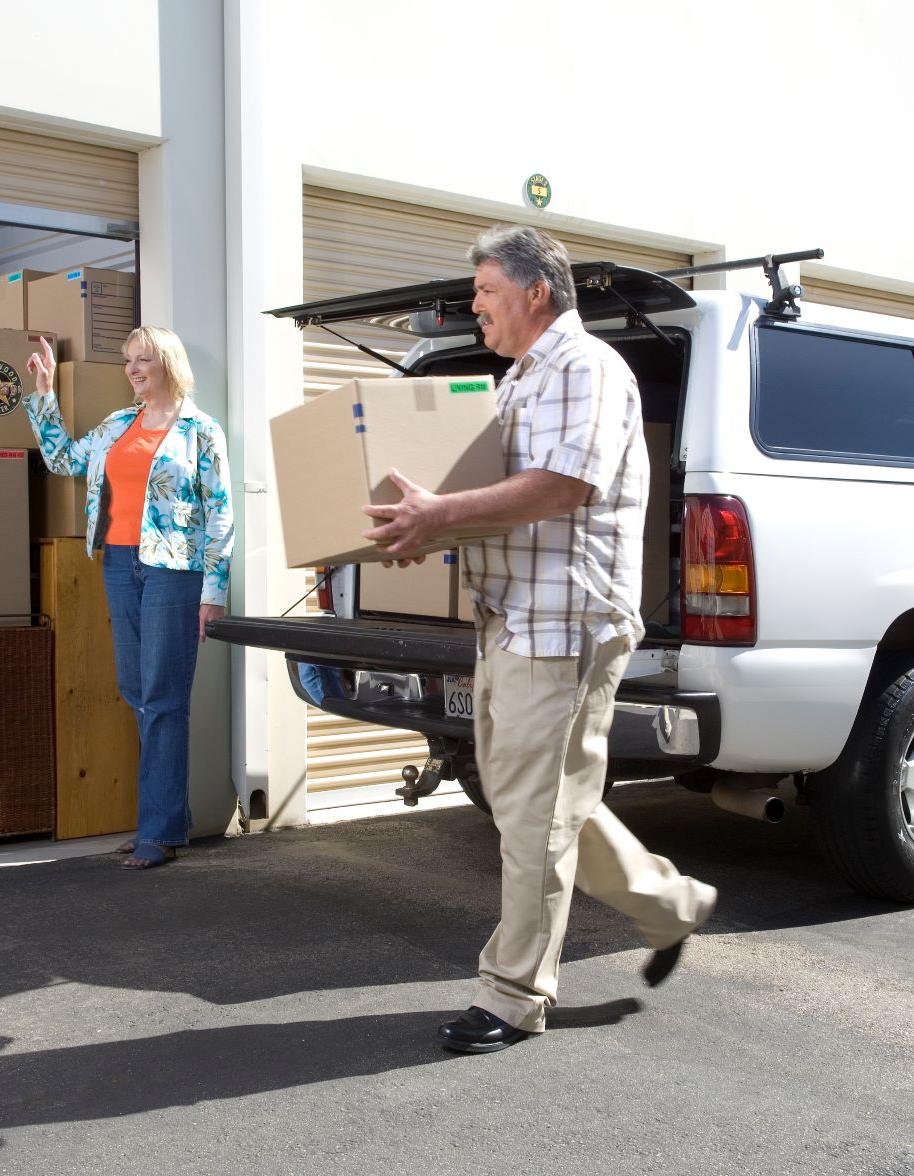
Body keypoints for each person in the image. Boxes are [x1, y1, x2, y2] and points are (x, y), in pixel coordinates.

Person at [363, 225, 717, 1053]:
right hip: (514, 618)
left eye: (486, 290)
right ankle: (671, 906)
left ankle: (515, 993)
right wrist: (430, 524)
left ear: (535, 293)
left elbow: (562, 486)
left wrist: (440, 513)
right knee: (546, 803)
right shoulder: (522, 379)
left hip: (563, 626)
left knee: (531, 816)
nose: (474, 305)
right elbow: (500, 497)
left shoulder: (583, 369)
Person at [24, 326, 234, 871]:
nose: (134, 370)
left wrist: (215, 590)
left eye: (144, 360)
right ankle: (166, 819)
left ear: (168, 362)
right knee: (137, 689)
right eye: (128, 362)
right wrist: (44, 393)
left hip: (173, 569)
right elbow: (63, 461)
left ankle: (159, 829)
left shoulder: (199, 430)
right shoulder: (117, 424)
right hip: (119, 563)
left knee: (163, 695)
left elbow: (221, 513)